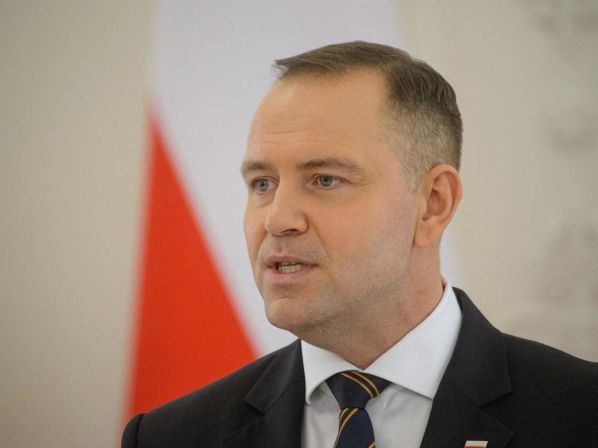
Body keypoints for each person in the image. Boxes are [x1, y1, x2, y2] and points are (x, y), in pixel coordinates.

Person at [122, 41, 597, 448]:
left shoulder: (580, 414)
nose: (277, 220)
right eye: (262, 184)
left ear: (432, 204)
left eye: (325, 179)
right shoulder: (171, 437)